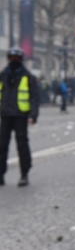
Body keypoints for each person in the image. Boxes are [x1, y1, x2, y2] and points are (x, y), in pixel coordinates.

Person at [0, 47, 39, 186]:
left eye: (16, 59)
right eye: (12, 58)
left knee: (22, 146)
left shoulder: (28, 76)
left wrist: (33, 115)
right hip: (5, 114)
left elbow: (34, 97)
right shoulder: (3, 75)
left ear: (21, 60)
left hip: (20, 115)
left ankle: (24, 174)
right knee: (2, 146)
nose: (14, 61)